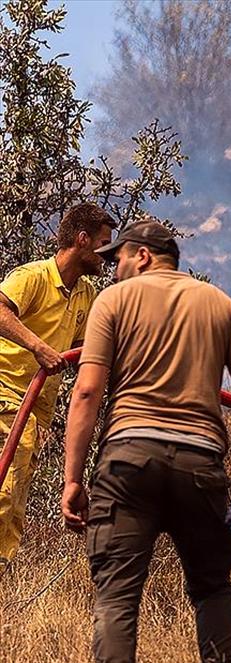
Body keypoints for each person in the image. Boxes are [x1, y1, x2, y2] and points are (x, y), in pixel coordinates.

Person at [60, 218, 231, 663]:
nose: (114, 270)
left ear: (143, 256)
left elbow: (87, 392)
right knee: (211, 589)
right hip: (200, 463)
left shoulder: (112, 301)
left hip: (127, 462)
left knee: (117, 597)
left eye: (120, 259)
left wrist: (72, 479)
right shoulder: (221, 305)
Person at [0, 203, 115, 564]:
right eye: (103, 244)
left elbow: (87, 350)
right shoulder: (32, 277)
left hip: (35, 410)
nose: (106, 256)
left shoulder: (85, 295)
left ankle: (3, 567)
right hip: (5, 393)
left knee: (15, 492)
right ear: (82, 240)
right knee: (7, 484)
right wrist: (37, 346)